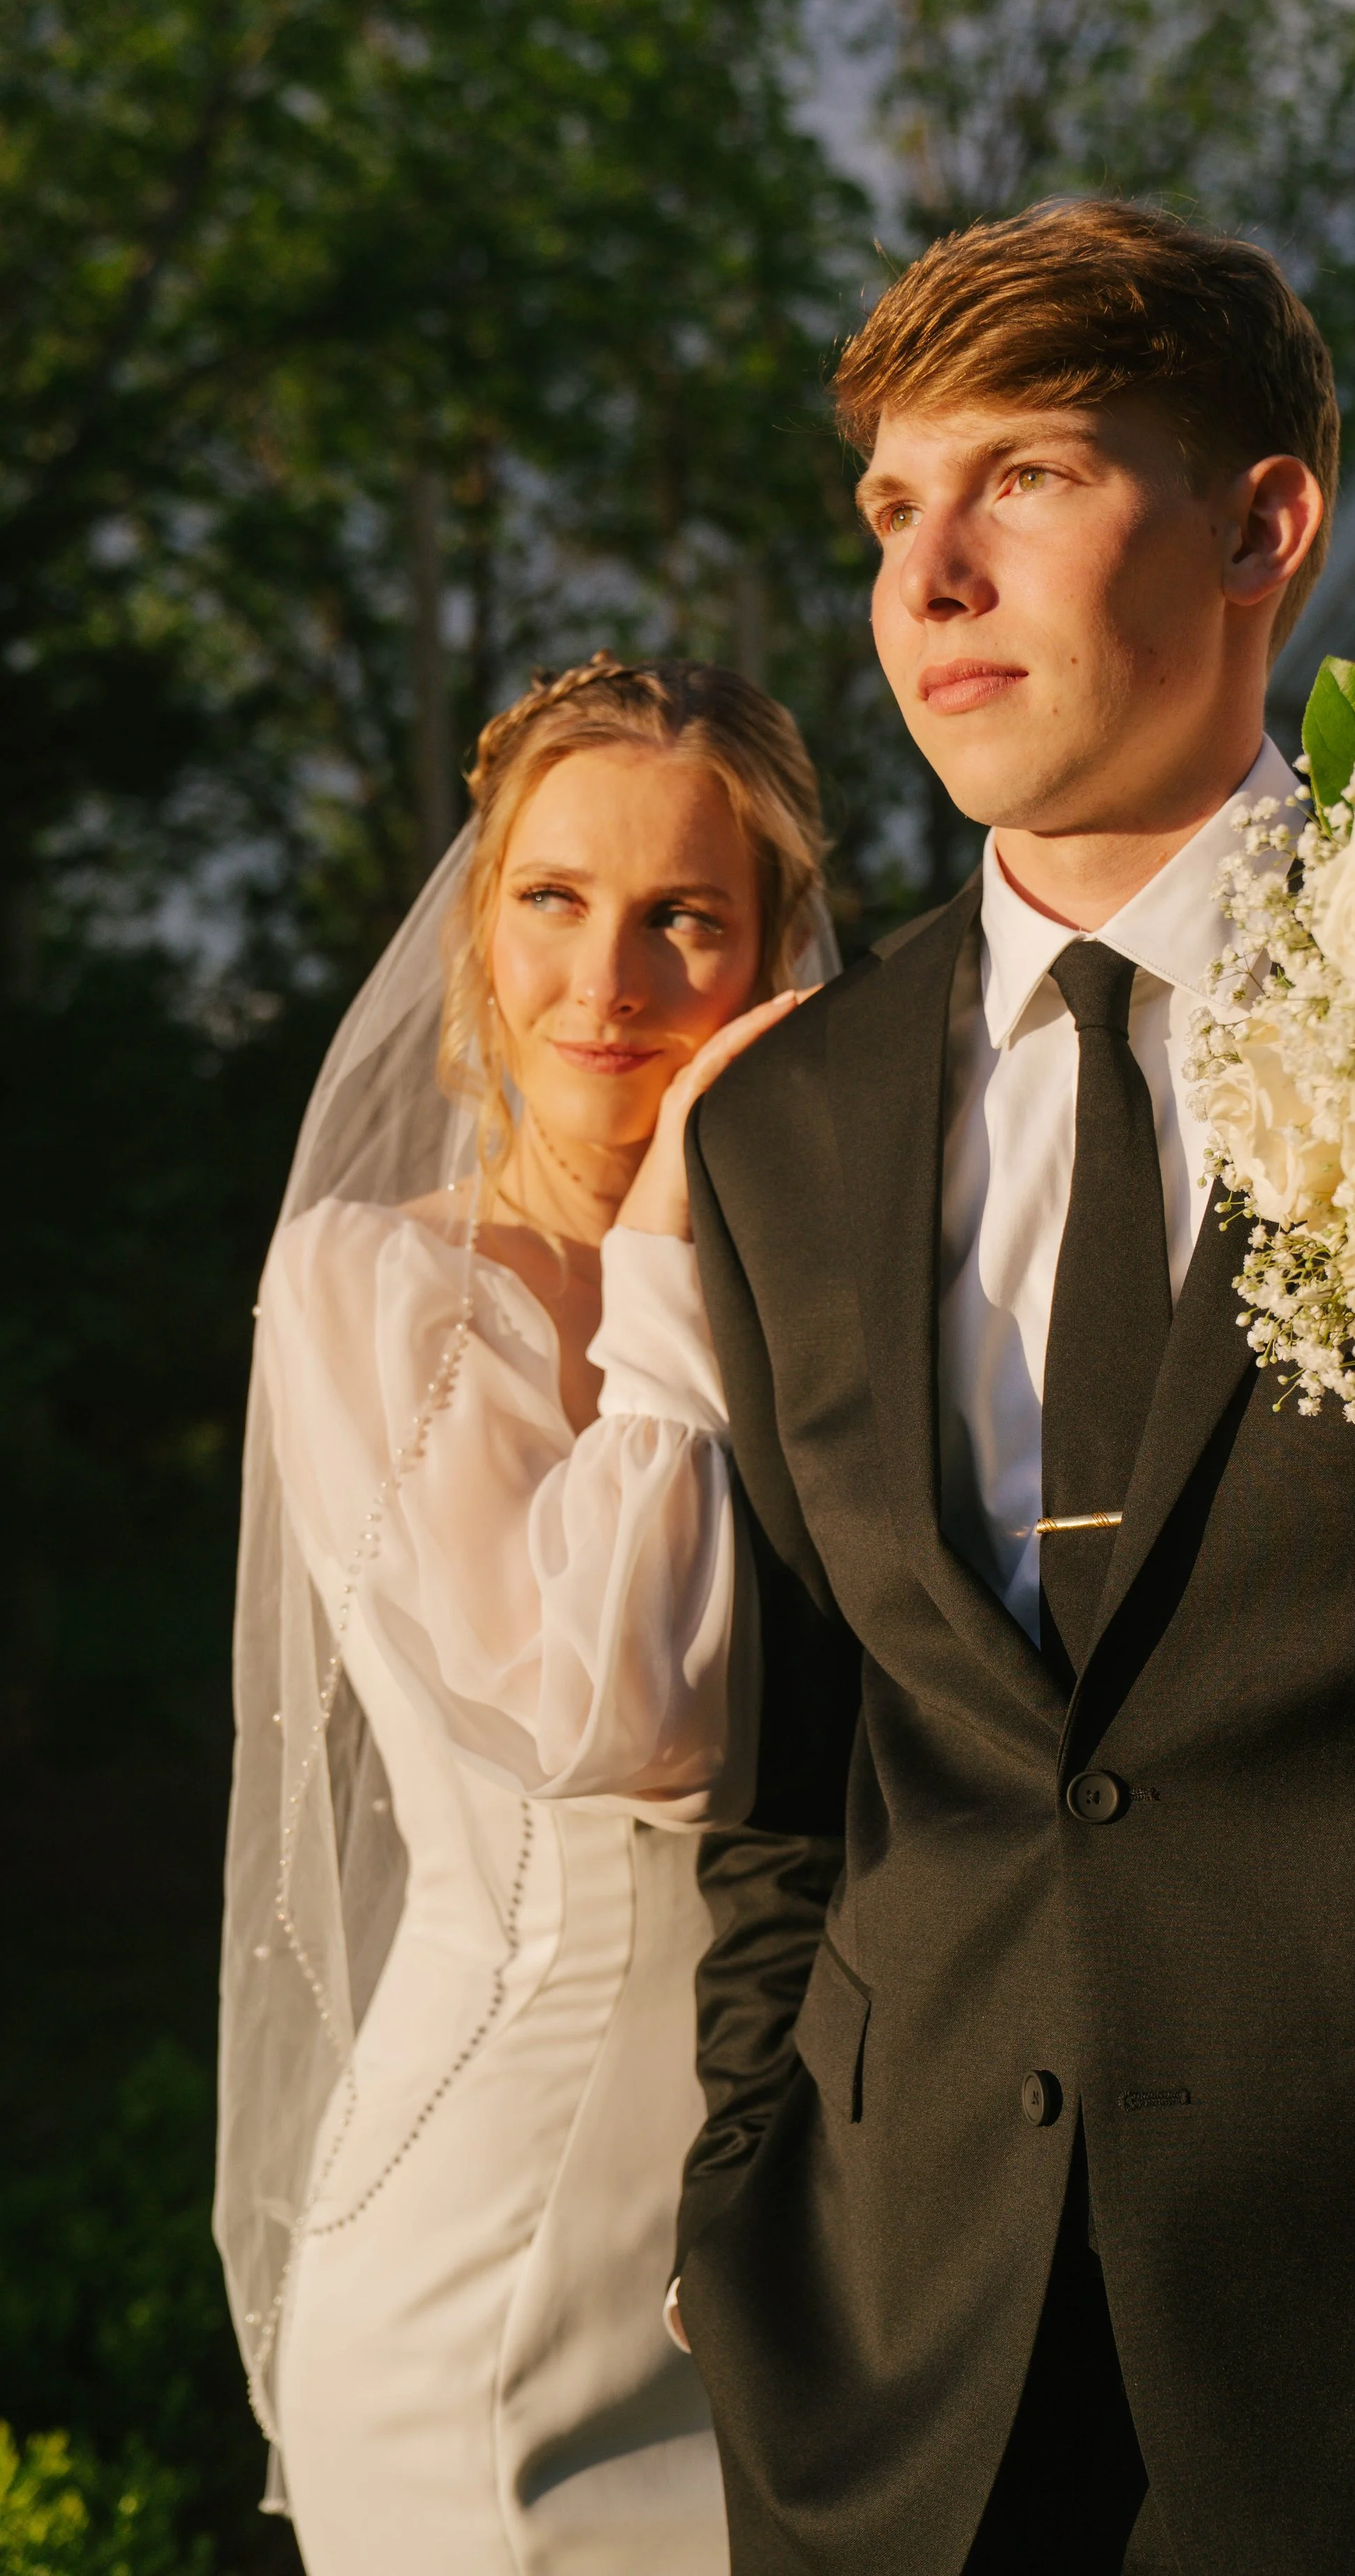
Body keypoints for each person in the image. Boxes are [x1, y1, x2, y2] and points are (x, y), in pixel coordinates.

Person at [668, 201, 1355, 2576]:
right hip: (904, 2420)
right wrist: (744, 2232)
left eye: (1026, 475)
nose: (927, 573)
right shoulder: (774, 1126)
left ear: (1264, 522)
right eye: (886, 508)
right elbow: (792, 1789)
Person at [214, 654, 834, 2576]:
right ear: (478, 926)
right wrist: (658, 1247)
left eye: (684, 920)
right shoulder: (374, 1287)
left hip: (808, 2231)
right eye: (554, 900)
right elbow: (615, 1716)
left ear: (771, 960)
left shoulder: (842, 1285)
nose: (610, 983)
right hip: (489, 2257)